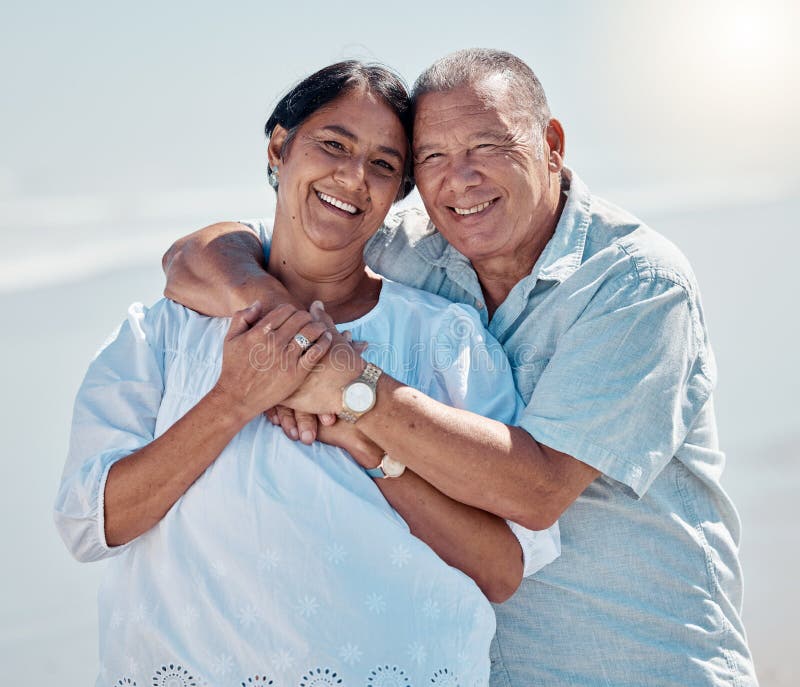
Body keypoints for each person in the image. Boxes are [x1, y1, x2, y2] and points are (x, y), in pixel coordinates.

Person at [162, 48, 760, 686]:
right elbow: (201, 253)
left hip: (639, 666)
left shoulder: (636, 282)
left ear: (550, 143)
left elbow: (535, 491)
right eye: (433, 158)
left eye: (487, 145)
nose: (461, 180)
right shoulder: (412, 251)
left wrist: (346, 383)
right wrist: (291, 338)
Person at [54, 60, 560, 687]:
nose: (353, 177)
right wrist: (234, 400)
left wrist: (364, 438)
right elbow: (89, 524)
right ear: (278, 147)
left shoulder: (445, 340)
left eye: (383, 165)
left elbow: (504, 570)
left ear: (399, 193)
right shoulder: (165, 330)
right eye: (333, 145)